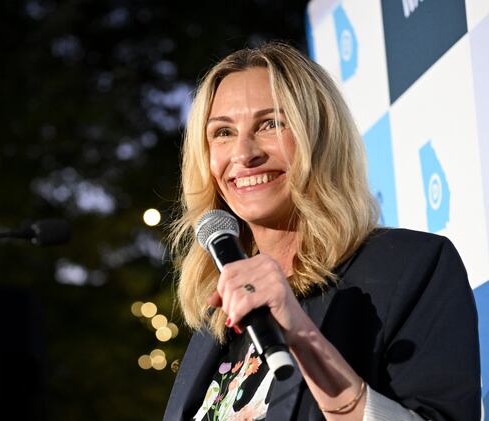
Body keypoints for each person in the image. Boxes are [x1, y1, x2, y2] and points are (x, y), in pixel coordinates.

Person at [163, 42, 480, 421]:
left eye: (271, 124)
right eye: (223, 132)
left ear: (320, 135)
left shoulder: (411, 266)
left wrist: (302, 335)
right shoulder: (218, 316)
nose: (244, 154)